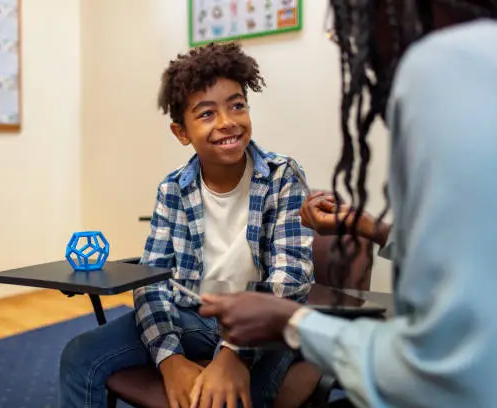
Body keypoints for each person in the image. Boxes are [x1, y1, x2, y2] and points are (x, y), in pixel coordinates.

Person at [199, 1, 497, 407]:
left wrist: (293, 322)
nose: (358, 47)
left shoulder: (446, 64)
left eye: (349, 28)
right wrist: (366, 225)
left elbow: (449, 377)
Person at [58, 42, 315, 408]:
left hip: (264, 323)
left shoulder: (282, 176)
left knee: (228, 398)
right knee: (80, 355)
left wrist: (233, 355)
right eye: (207, 114)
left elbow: (289, 282)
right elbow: (152, 281)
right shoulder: (173, 189)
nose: (227, 122)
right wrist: (169, 360)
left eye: (237, 105)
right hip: (192, 317)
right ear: (182, 133)